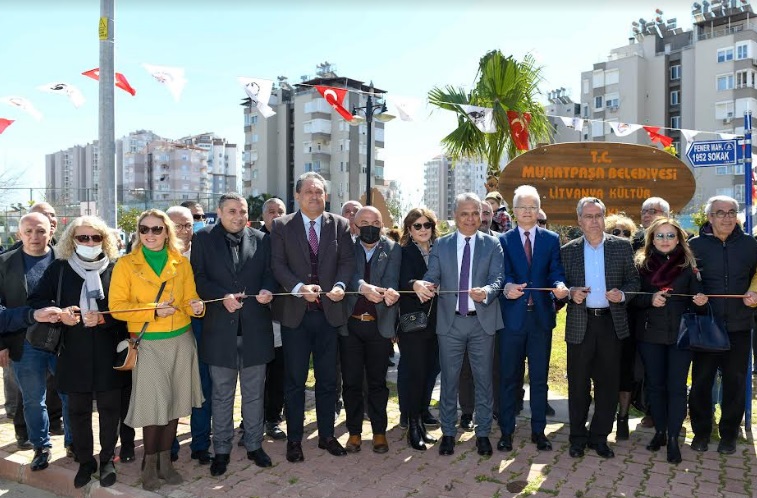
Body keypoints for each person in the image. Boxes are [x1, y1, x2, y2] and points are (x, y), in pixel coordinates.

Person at [29, 216, 130, 487]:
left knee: (111, 410)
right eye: (82, 237)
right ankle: (86, 461)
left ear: (105, 240)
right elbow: (36, 300)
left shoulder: (117, 268)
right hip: (73, 351)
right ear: (71, 239)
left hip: (110, 350)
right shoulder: (59, 269)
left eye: (95, 237)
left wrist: (104, 319)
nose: (89, 242)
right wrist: (60, 313)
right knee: (78, 411)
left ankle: (107, 459)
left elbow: (129, 309)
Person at [109, 209, 205, 491]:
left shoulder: (180, 262)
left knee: (174, 404)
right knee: (154, 407)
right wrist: (153, 311)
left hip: (182, 339)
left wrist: (197, 306)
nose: (149, 235)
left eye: (156, 229)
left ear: (167, 232)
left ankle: (166, 462)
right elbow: (116, 306)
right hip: (148, 342)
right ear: (138, 233)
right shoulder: (126, 264)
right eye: (144, 229)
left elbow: (189, 298)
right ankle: (148, 464)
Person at [270, 172, 356, 463]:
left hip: (329, 316)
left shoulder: (340, 225)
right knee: (294, 381)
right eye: (309, 192)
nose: (315, 196)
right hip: (296, 317)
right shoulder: (282, 226)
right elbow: (277, 265)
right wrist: (297, 288)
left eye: (319, 192)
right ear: (297, 196)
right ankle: (294, 439)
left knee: (328, 380)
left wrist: (342, 286)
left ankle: (327, 436)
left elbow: (347, 262)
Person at [192, 193, 278, 475]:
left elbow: (270, 274)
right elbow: (199, 279)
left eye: (242, 211)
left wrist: (267, 290)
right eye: (232, 211)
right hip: (219, 332)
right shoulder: (203, 239)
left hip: (255, 329)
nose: (238, 216)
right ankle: (222, 449)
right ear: (219, 212)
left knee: (254, 394)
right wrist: (221, 296)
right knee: (221, 395)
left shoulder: (262, 239)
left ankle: (254, 444)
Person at [413, 192, 504, 457]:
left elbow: (498, 278)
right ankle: (449, 434)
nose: (470, 218)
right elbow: (433, 275)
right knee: (449, 381)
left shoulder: (492, 244)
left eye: (475, 213)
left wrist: (486, 291)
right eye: (465, 213)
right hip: (450, 324)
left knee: (484, 380)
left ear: (481, 216)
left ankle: (483, 433)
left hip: (482, 323)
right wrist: (423, 284)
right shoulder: (441, 245)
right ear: (455, 216)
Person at [561, 197, 639, 459]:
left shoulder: (621, 248)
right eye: (588, 216)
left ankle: (599, 437)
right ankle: (577, 438)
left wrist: (623, 294)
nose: (594, 221)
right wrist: (571, 292)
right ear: (579, 220)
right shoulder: (569, 250)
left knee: (608, 384)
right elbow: (560, 284)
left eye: (598, 216)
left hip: (611, 322)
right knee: (578, 384)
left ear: (604, 218)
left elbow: (633, 280)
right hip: (580, 323)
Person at [498, 185, 568, 452]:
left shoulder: (551, 239)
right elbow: (500, 274)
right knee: (509, 378)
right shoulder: (502, 240)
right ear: (514, 211)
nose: (527, 212)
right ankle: (506, 431)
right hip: (511, 320)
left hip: (540, 319)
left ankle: (539, 431)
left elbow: (555, 271)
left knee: (539, 379)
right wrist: (506, 287)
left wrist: (560, 285)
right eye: (522, 207)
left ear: (538, 210)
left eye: (532, 207)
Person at [631, 218, 707, 464]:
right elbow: (632, 299)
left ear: (679, 239)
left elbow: (700, 304)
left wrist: (701, 303)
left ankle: (674, 438)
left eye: (670, 236)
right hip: (649, 335)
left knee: (676, 388)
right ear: (652, 238)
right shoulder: (641, 265)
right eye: (660, 236)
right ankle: (660, 432)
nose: (665, 240)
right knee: (655, 386)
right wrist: (649, 300)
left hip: (680, 336)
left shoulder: (688, 265)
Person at [0, 212, 71, 471]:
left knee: (69, 394)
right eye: (28, 231)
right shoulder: (4, 263)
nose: (34, 237)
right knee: (32, 399)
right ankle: (41, 446)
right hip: (24, 342)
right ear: (19, 234)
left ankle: (73, 444)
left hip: (62, 340)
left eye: (40, 231)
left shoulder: (65, 261)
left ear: (51, 231)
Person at [688, 195, 757, 455]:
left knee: (735, 382)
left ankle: (729, 434)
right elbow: (687, 279)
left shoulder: (750, 245)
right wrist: (697, 296)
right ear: (710, 217)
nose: (727, 217)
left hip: (740, 325)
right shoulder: (694, 245)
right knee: (702, 382)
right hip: (707, 325)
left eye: (731, 212)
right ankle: (702, 433)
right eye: (720, 213)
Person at [340, 206, 401, 454]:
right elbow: (347, 275)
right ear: (354, 225)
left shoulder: (393, 249)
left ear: (382, 224)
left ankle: (378, 432)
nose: (370, 226)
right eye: (364, 221)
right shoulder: (345, 247)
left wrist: (389, 293)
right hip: (350, 324)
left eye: (375, 222)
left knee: (378, 383)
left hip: (379, 326)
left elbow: (392, 279)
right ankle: (354, 432)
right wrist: (363, 286)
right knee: (351, 382)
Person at [166, 205, 213, 465]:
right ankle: (168, 444)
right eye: (179, 225)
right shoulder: (155, 255)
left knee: (202, 385)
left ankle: (201, 444)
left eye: (189, 224)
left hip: (201, 326)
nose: (185, 230)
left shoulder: (205, 251)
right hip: (168, 331)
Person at [397, 208, 441, 450]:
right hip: (413, 323)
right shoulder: (403, 253)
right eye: (417, 226)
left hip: (439, 323)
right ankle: (412, 427)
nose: (423, 230)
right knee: (414, 374)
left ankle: (421, 419)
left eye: (427, 225)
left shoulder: (441, 250)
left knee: (429, 372)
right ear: (409, 230)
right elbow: (397, 279)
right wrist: (414, 283)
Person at [603, 213, 638, 440]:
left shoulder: (638, 259)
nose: (623, 236)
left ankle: (623, 418)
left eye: (627, 233)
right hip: (603, 321)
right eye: (616, 232)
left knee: (626, 373)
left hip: (629, 323)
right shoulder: (598, 254)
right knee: (603, 373)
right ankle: (603, 418)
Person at [259, 198, 287, 441]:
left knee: (278, 371)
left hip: (283, 316)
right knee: (256, 374)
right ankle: (251, 419)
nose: (276, 215)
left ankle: (273, 418)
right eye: (271, 211)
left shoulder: (291, 238)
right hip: (256, 316)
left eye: (280, 211)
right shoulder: (251, 239)